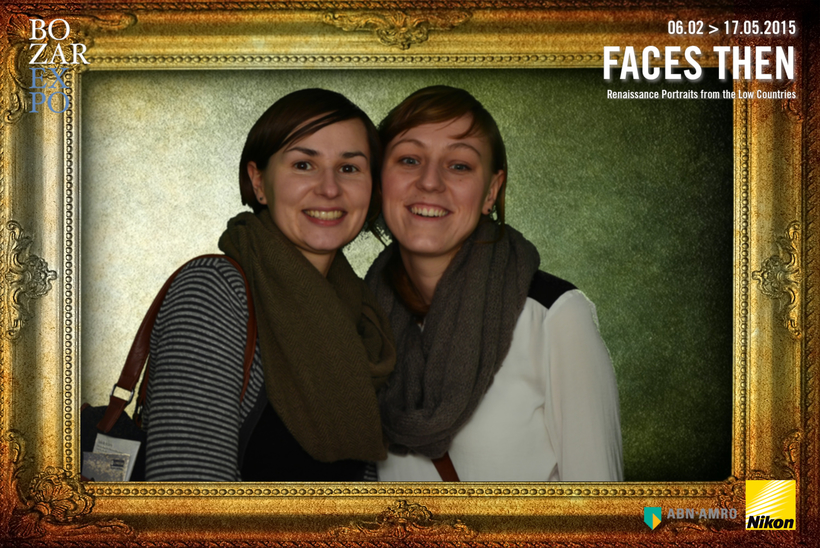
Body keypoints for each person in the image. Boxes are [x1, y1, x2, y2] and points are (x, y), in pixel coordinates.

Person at [366, 86, 623, 481]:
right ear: (380, 181)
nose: (430, 182)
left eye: (459, 166)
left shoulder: (555, 317)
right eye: (409, 160)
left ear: (491, 191)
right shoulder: (361, 318)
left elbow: (601, 504)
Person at [142, 89, 396, 481]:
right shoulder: (215, 291)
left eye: (349, 168)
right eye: (303, 165)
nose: (330, 188)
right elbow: (188, 493)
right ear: (258, 181)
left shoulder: (360, 309)